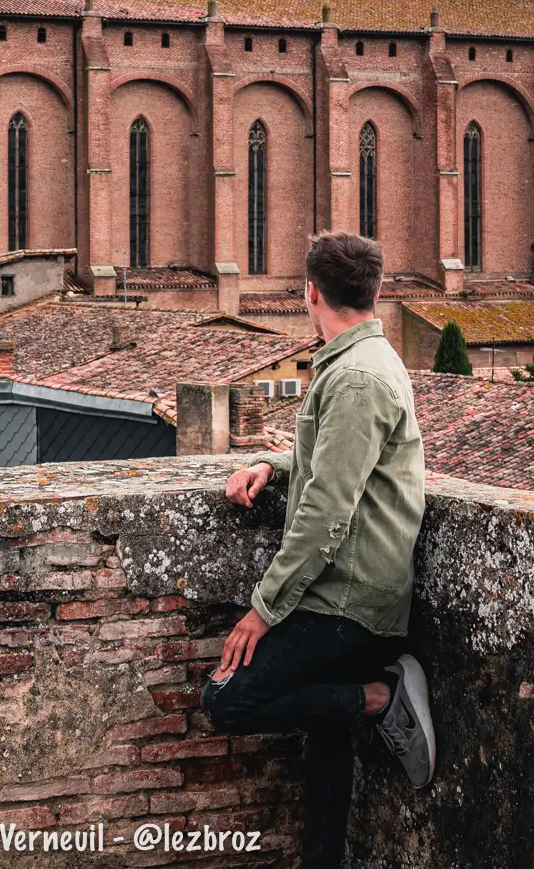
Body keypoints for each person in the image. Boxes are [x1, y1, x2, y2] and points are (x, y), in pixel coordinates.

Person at [201, 231, 433, 869]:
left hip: (350, 602)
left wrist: (264, 609)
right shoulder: (358, 363)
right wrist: (270, 466)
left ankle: (382, 696)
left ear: (310, 292)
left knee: (226, 700)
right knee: (326, 740)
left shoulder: (357, 378)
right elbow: (334, 465)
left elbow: (328, 512)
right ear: (374, 291)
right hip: (351, 591)